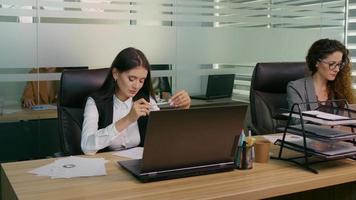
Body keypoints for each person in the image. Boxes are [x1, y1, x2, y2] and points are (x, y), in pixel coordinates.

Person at [81, 47, 191, 155]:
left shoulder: (145, 99)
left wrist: (183, 110)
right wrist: (128, 119)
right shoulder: (95, 102)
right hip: (107, 166)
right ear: (115, 73)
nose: (136, 86)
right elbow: (87, 147)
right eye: (131, 79)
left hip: (138, 165)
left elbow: (166, 136)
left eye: (141, 80)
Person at [287, 38, 354, 112]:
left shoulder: (339, 88)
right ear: (317, 62)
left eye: (339, 64)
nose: (337, 69)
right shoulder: (296, 87)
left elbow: (349, 116)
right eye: (332, 64)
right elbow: (297, 120)